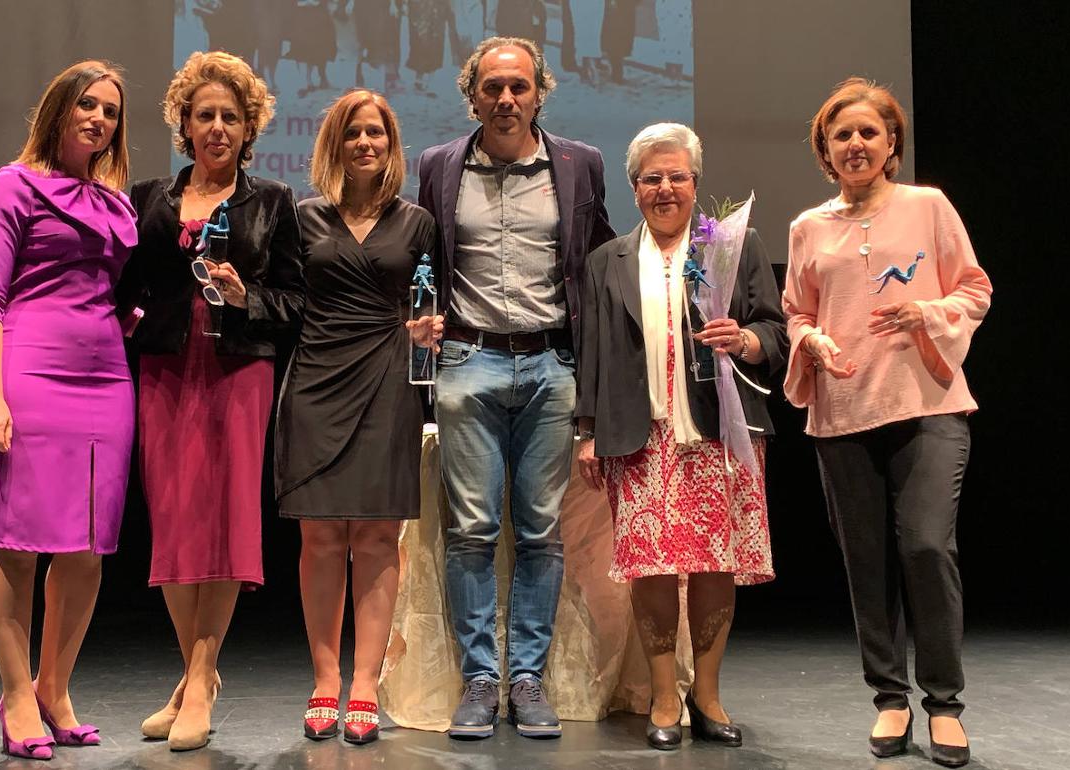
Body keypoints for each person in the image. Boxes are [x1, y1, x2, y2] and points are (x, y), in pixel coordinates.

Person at [783, 77, 992, 768]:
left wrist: (928, 313)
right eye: (841, 135)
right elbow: (796, 312)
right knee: (865, 564)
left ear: (891, 143)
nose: (855, 144)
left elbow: (974, 288)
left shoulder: (927, 206)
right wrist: (808, 340)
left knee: (928, 547)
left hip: (928, 405)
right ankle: (889, 698)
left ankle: (945, 703)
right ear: (825, 148)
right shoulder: (808, 227)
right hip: (843, 413)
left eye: (868, 132)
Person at [414, 36, 614, 740]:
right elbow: (423, 266)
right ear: (472, 95)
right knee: (471, 531)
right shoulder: (439, 165)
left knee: (539, 533)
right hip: (468, 363)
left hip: (551, 367)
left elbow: (600, 264)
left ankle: (525, 678)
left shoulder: (580, 164)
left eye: (518, 87)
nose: (506, 99)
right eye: (492, 88)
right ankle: (478, 680)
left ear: (539, 93)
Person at [575, 123, 785, 750]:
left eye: (677, 176)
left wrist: (744, 340)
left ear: (696, 183)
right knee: (653, 569)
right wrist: (586, 430)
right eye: (651, 178)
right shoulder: (605, 260)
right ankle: (665, 698)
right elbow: (593, 354)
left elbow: (773, 330)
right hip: (640, 440)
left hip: (722, 435)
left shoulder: (732, 246)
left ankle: (709, 695)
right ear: (633, 186)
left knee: (717, 567)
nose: (664, 188)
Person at [119, 51, 304, 751]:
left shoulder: (273, 203)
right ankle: (195, 671)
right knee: (173, 519)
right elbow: (128, 286)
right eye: (205, 115)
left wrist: (245, 297)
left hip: (237, 371)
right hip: (168, 369)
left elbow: (294, 304)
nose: (218, 127)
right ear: (185, 125)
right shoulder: (150, 200)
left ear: (249, 127)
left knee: (225, 519)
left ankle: (198, 683)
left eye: (231, 116)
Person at [0, 60, 136, 760]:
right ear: (59, 108)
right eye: (87, 105)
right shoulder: (13, 185)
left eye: (110, 111)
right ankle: (15, 697)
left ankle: (54, 687)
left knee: (88, 544)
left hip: (107, 377)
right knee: (18, 541)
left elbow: (101, 285)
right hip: (29, 371)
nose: (98, 118)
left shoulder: (115, 201)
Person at [275, 89, 437, 745]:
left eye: (375, 133)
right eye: (352, 134)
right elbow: (285, 302)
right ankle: (323, 679)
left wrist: (433, 327)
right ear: (334, 146)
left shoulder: (419, 222)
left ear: (391, 144)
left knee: (375, 537)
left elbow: (438, 298)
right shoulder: (304, 217)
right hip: (316, 378)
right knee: (320, 538)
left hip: (388, 378)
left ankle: (364, 682)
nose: (365, 143)